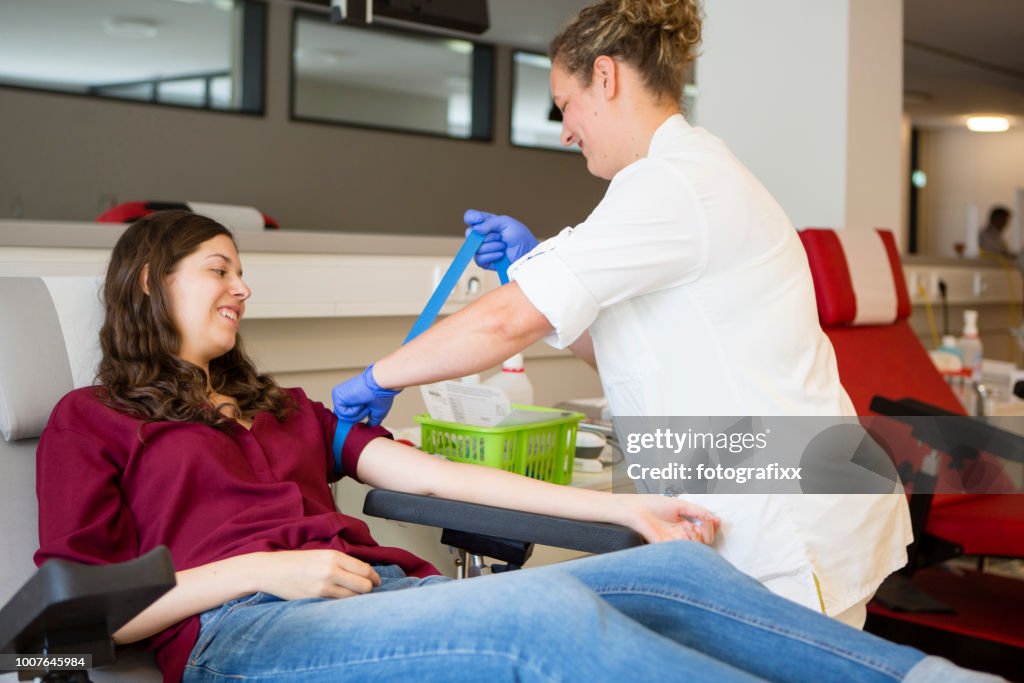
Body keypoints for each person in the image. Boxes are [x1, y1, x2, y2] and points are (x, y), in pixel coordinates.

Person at [33, 210, 997, 683]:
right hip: (243, 632)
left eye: (244, 273)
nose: (241, 290)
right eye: (218, 271)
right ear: (148, 281)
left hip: (380, 593)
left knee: (677, 578)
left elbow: (441, 473)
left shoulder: (282, 408)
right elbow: (76, 621)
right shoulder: (92, 418)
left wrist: (623, 508)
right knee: (547, 618)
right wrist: (267, 570)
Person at [331, 0, 912, 629]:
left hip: (787, 524)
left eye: (565, 105)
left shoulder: (671, 185)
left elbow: (502, 324)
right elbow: (623, 346)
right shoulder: (679, 179)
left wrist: (379, 377)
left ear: (605, 77)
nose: (564, 130)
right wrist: (534, 268)